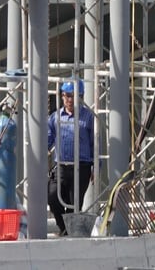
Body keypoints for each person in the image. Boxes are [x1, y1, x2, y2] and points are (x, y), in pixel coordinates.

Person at [48, 79, 95, 236]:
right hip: (61, 166)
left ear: (80, 96)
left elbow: (95, 143)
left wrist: (96, 165)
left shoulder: (88, 117)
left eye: (72, 96)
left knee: (74, 204)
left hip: (82, 166)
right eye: (66, 96)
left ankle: (69, 234)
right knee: (53, 197)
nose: (68, 100)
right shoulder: (55, 117)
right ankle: (65, 229)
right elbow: (48, 139)